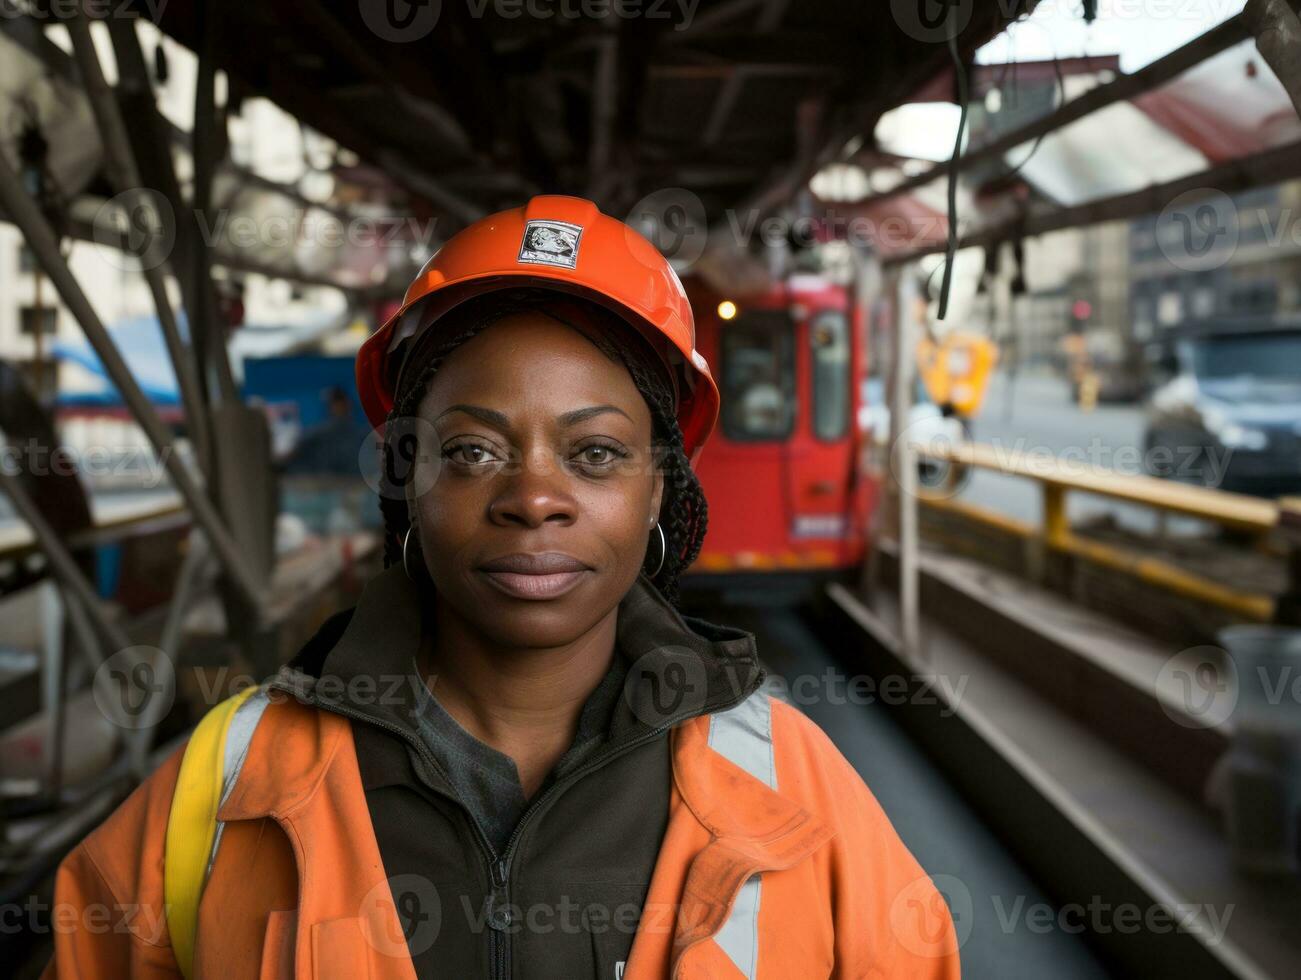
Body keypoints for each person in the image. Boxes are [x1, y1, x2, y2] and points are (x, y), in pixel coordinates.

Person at [41, 196, 960, 978]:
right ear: (408, 478)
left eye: (594, 453)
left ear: (657, 493)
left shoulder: (796, 789)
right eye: (473, 450)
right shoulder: (226, 782)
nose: (533, 500)